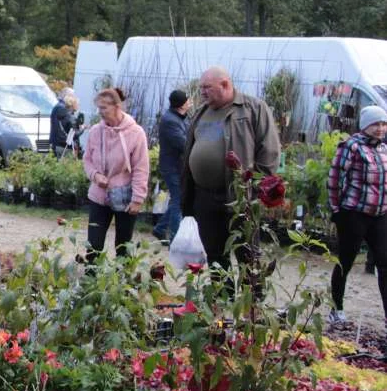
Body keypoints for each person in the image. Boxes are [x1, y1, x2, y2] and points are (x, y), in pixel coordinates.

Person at [181, 66, 280, 270]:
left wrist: (254, 188)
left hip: (239, 197)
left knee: (247, 254)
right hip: (205, 197)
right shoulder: (201, 113)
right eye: (201, 88)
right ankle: (220, 300)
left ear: (225, 84)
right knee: (215, 254)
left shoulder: (253, 108)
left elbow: (269, 152)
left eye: (207, 87)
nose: (202, 92)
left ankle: (250, 300)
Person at [328, 105, 387, 329]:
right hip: (354, 214)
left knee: (385, 263)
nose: (381, 128)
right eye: (376, 124)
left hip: (379, 214)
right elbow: (335, 179)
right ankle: (337, 308)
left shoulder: (383, 148)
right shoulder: (351, 147)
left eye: (383, 124)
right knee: (345, 261)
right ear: (365, 126)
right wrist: (336, 210)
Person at [82, 88, 150, 262]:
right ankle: (90, 282)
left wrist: (138, 198)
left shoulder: (136, 133)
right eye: (98, 108)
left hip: (124, 197)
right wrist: (95, 175)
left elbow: (141, 168)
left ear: (117, 106)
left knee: (123, 245)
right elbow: (87, 159)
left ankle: (122, 283)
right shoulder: (96, 131)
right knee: (94, 244)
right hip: (99, 195)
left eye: (104, 108)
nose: (100, 112)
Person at [152, 89, 191, 243]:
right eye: (187, 101)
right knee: (178, 201)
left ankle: (160, 229)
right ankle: (175, 239)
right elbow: (183, 144)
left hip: (177, 166)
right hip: (172, 167)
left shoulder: (178, 118)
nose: (190, 103)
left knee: (178, 199)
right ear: (181, 105)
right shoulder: (170, 121)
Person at [49, 89, 76, 158]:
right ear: (67, 96)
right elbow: (65, 125)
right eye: (72, 96)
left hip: (56, 141)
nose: (73, 98)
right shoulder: (62, 108)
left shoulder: (59, 106)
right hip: (60, 142)